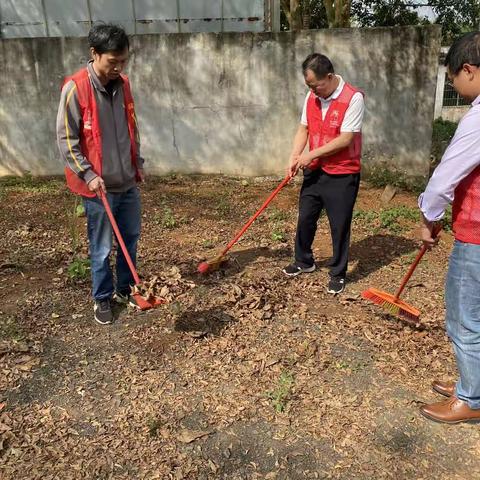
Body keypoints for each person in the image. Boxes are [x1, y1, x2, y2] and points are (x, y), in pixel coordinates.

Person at [56, 24, 145, 325]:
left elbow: (132, 127)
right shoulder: (75, 88)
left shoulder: (124, 83)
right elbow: (66, 140)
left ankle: (125, 289)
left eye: (123, 61)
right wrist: (88, 174)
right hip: (98, 187)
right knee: (102, 246)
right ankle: (102, 298)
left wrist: (138, 163)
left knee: (129, 239)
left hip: (126, 181)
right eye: (112, 61)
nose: (118, 68)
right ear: (94, 54)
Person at [418, 31, 480, 423]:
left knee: (464, 318)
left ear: (469, 70)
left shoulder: (478, 118)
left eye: (453, 78)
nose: (455, 85)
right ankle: (471, 380)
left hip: (477, 236)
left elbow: (444, 179)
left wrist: (429, 218)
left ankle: (471, 399)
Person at [283, 53, 365, 294]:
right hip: (315, 170)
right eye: (309, 86)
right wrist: (295, 155)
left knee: (339, 224)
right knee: (305, 217)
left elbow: (346, 138)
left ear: (329, 77)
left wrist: (311, 154)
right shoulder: (312, 96)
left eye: (316, 85)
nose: (313, 91)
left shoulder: (353, 98)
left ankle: (338, 272)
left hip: (342, 173)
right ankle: (303, 261)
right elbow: (303, 128)